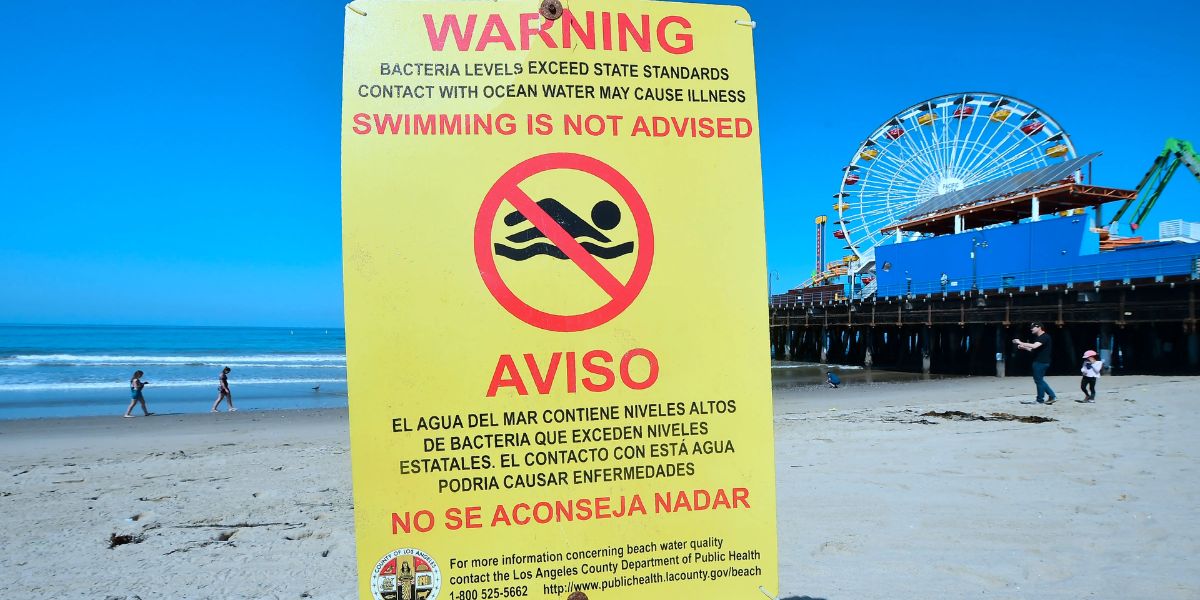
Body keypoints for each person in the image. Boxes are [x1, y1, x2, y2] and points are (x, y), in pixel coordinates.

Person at [1013, 322, 1056, 404]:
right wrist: (1024, 347)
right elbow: (1034, 350)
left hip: (1041, 362)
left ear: (1039, 327)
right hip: (1041, 361)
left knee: (1039, 380)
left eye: (1033, 327)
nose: (1031, 329)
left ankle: (1040, 399)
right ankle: (1051, 396)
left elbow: (1034, 346)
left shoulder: (1044, 336)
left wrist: (1020, 342)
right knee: (1039, 380)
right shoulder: (1040, 337)